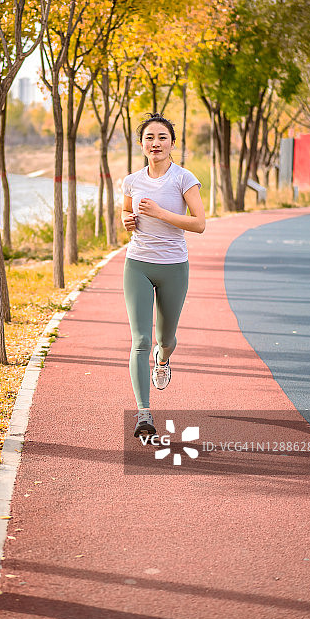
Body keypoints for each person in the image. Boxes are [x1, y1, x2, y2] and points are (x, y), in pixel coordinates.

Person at [121, 112, 205, 438]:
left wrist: (161, 213)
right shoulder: (131, 180)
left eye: (162, 138)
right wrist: (126, 222)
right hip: (138, 264)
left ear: (172, 143)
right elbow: (126, 216)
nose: (155, 143)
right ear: (141, 144)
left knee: (165, 340)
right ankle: (144, 414)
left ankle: (163, 358)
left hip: (173, 267)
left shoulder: (184, 178)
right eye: (149, 138)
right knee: (140, 339)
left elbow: (199, 223)